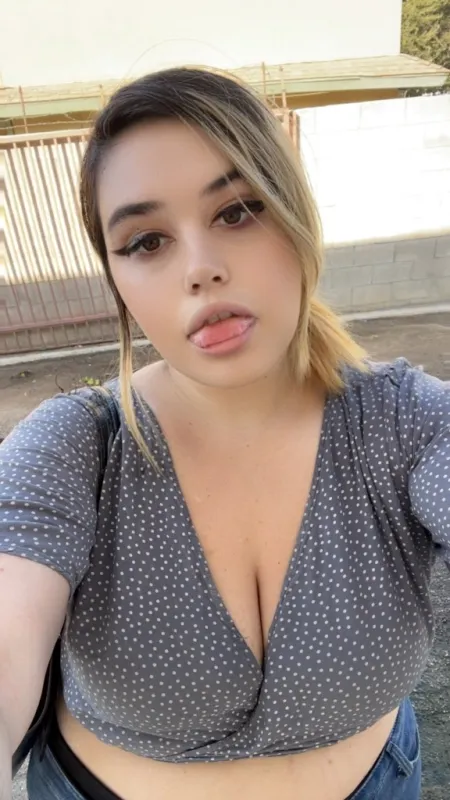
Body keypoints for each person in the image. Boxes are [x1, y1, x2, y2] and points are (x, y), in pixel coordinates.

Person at [0, 66, 447, 800]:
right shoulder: (76, 447)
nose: (201, 269)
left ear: (296, 213)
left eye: (237, 211)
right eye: (146, 241)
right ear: (118, 280)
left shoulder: (408, 422)